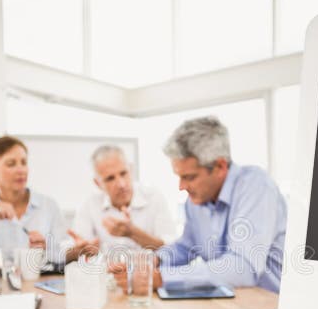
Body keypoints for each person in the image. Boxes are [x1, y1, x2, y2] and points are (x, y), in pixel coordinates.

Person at [111, 116, 287, 293]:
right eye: (179, 177)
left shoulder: (255, 186)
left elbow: (243, 268)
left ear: (220, 166)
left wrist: (161, 278)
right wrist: (154, 262)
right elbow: (186, 247)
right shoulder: (196, 201)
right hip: (228, 301)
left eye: (189, 177)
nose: (181, 187)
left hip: (269, 304)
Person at [0, 136, 95, 267]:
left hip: (42, 285)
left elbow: (64, 252)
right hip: (2, 287)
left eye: (24, 162)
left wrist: (70, 251)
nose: (21, 170)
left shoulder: (48, 205)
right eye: (11, 164)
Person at [70, 145, 176, 254]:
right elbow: (75, 247)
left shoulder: (154, 197)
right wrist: (79, 251)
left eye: (123, 173)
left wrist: (133, 233)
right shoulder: (89, 204)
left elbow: (172, 249)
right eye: (110, 178)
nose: (121, 184)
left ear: (131, 169)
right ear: (98, 183)